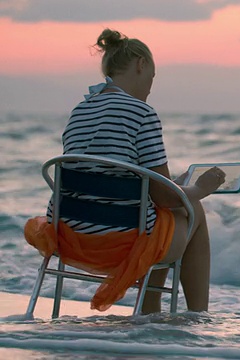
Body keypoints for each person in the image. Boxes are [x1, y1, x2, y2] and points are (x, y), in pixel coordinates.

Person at [52, 28, 224, 313]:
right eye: (152, 79)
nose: (150, 88)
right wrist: (199, 189)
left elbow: (108, 176)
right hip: (124, 242)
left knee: (158, 214)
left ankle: (151, 306)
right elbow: (166, 199)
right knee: (192, 209)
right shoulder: (141, 112)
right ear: (141, 65)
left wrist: (170, 184)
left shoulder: (79, 111)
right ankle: (196, 315)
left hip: (71, 237)